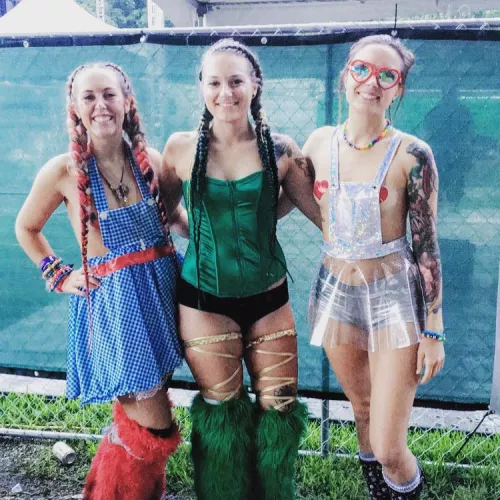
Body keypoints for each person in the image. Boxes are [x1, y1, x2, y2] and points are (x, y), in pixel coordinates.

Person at [158, 38, 322, 499]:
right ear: (201, 87)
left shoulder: (281, 150)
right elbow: (165, 211)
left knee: (280, 410)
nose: (225, 92)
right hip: (203, 302)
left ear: (255, 85)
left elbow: (321, 215)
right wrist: (201, 231)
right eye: (214, 82)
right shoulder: (180, 148)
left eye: (235, 81)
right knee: (222, 416)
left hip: (269, 300)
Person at [15, 62, 186, 500]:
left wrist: (215, 236)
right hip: (118, 310)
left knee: (139, 421)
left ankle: (112, 491)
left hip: (163, 296)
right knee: (153, 424)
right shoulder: (64, 170)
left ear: (127, 101)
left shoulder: (152, 163)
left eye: (109, 94)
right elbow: (26, 228)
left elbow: (175, 218)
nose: (100, 105)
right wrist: (59, 274)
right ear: (75, 108)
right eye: (88, 97)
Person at [304, 35, 445, 499]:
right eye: (362, 69)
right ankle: (378, 493)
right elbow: (300, 198)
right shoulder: (318, 143)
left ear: (398, 88)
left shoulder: (412, 154)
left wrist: (433, 328)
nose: (372, 82)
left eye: (387, 75)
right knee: (361, 407)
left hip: (394, 297)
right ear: (346, 75)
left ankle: (403, 486)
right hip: (336, 290)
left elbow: (426, 245)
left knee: (387, 444)